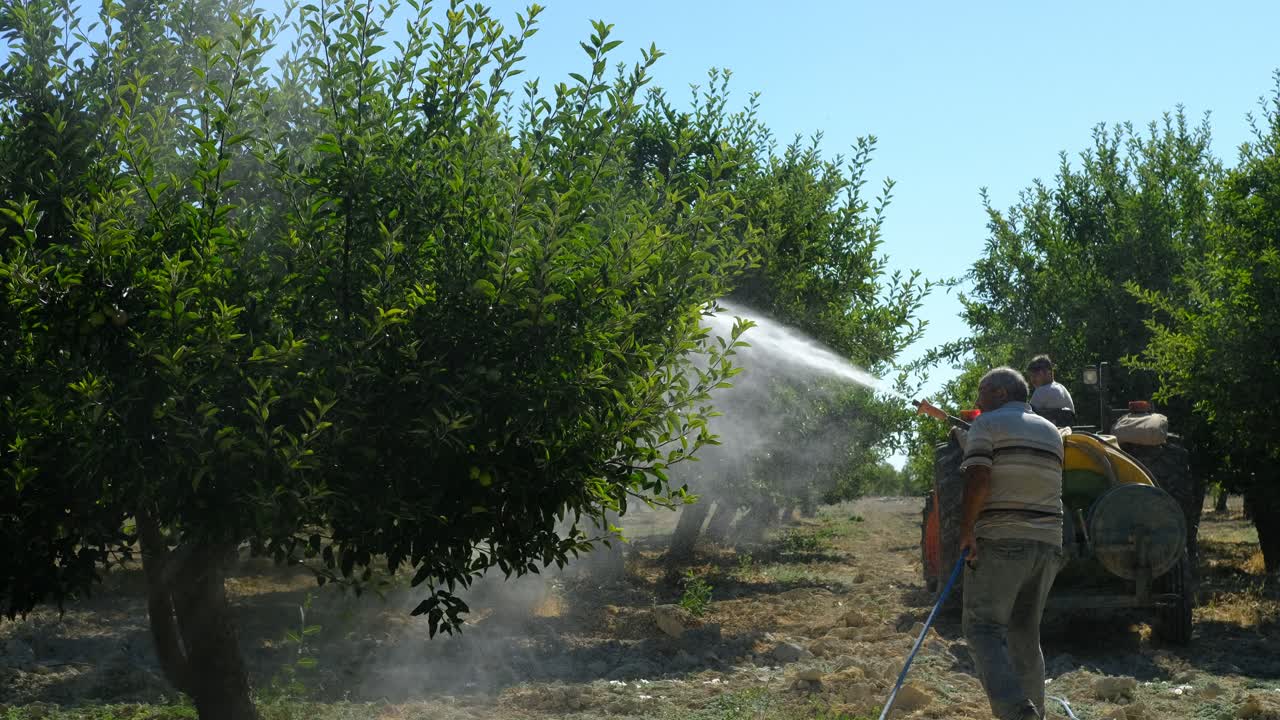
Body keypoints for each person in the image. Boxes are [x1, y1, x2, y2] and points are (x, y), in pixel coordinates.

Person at [958, 367, 1066, 720]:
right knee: (1024, 634)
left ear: (1001, 394)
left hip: (1002, 541)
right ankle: (1037, 713)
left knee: (982, 628)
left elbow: (978, 478)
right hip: (1048, 545)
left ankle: (1017, 713)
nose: (977, 401)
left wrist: (966, 530)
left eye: (982, 392)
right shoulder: (1052, 432)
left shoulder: (986, 425)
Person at [1026, 355, 1074, 422]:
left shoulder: (1041, 391)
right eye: (1031, 375)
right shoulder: (1063, 389)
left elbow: (1027, 418)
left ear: (1049, 373)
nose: (1033, 379)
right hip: (1067, 431)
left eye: (1037, 375)